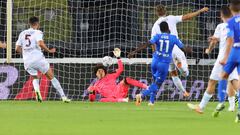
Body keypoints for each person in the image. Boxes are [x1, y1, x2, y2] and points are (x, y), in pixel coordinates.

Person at [187, 6, 238, 116]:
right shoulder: (236, 25)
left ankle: (201, 107)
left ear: (221, 15)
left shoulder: (221, 26)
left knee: (212, 81)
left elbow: (215, 42)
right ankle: (232, 105)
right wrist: (217, 39)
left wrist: (208, 50)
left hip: (223, 58)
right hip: (234, 57)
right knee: (234, 82)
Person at [151, 4, 209, 97]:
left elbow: (153, 43)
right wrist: (199, 11)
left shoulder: (155, 26)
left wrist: (155, 55)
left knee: (173, 73)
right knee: (185, 74)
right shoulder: (171, 18)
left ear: (156, 13)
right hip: (176, 47)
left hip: (165, 53)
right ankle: (181, 66)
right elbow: (186, 17)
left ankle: (184, 92)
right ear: (165, 11)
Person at [15, 16, 70, 103]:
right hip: (38, 59)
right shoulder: (38, 32)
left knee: (35, 78)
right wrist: (49, 50)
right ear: (37, 24)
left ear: (29, 23)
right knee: (51, 77)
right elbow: (40, 43)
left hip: (27, 61)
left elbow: (17, 49)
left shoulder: (22, 33)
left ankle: (37, 92)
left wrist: (26, 53)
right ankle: (63, 97)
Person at [128, 21, 184, 106]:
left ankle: (151, 101)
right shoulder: (173, 38)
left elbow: (147, 44)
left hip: (154, 62)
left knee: (154, 81)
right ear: (168, 28)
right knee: (157, 84)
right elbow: (184, 48)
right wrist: (191, 50)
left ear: (161, 29)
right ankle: (141, 95)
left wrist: (134, 52)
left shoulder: (157, 36)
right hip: (163, 64)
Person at [218, 0, 240, 123]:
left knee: (223, 76)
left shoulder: (231, 22)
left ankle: (221, 102)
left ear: (231, 9)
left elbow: (230, 39)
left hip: (235, 51)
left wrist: (225, 57)